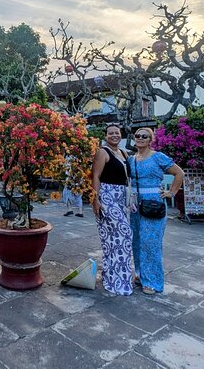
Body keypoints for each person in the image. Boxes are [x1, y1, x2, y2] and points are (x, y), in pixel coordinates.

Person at [128, 127, 184, 295]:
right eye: (137, 135)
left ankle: (152, 281)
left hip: (153, 203)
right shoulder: (131, 159)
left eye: (144, 136)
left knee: (150, 242)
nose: (140, 138)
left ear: (150, 140)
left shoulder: (158, 157)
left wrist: (171, 192)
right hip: (135, 204)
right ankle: (140, 274)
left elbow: (179, 173)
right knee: (136, 241)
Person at [92, 123, 132, 295]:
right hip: (107, 196)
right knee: (124, 235)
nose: (114, 135)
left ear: (121, 135)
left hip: (121, 198)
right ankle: (117, 280)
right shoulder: (103, 152)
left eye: (117, 132)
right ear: (106, 136)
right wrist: (95, 200)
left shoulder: (124, 153)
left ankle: (114, 277)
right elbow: (96, 176)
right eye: (111, 133)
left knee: (114, 240)